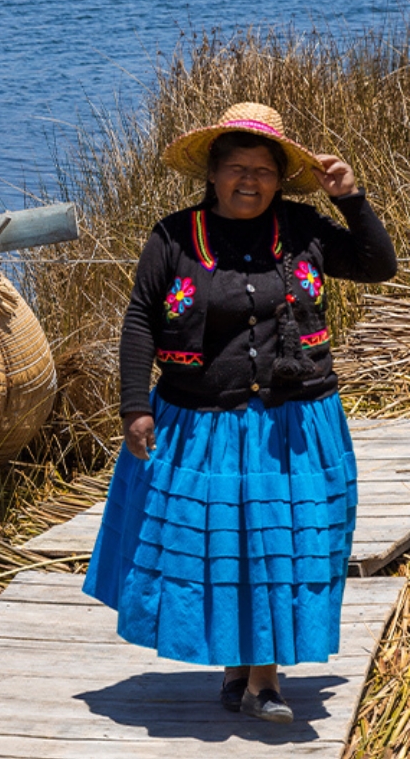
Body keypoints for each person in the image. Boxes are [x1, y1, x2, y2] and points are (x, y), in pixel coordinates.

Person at [83, 102, 397, 726]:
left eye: (263, 170)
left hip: (296, 423)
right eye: (236, 168)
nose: (249, 180)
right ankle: (239, 668)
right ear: (213, 174)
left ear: (280, 180)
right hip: (204, 424)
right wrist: (134, 407)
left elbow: (378, 266)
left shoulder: (304, 229)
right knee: (226, 548)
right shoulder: (173, 237)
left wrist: (352, 199)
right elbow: (140, 322)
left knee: (284, 548)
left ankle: (264, 683)